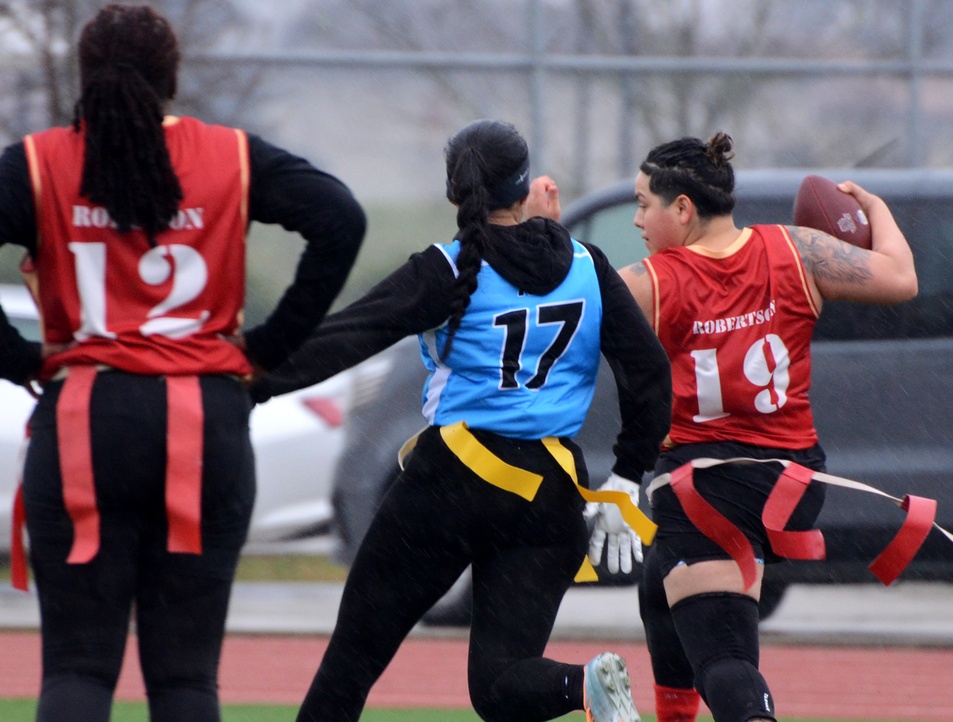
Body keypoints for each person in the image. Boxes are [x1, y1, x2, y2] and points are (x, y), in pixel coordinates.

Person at [0, 5, 366, 721]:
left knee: (77, 668)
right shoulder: (229, 154)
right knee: (184, 680)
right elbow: (339, 220)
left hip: (86, 419)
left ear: (84, 76)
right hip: (204, 419)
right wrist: (267, 347)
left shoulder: (40, 163)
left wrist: (20, 361)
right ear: (170, 78)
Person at [250, 118, 672, 722]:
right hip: (550, 494)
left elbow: (348, 336)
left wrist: (251, 378)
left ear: (456, 194)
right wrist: (627, 475)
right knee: (500, 684)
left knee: (353, 660)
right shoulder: (588, 264)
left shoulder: (449, 270)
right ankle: (581, 688)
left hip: (452, 482)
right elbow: (650, 373)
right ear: (525, 189)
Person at [587, 132, 917, 722]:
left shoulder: (648, 282)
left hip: (710, 486)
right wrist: (876, 210)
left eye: (644, 204)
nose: (637, 218)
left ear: (682, 208)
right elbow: (900, 278)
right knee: (660, 592)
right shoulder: (797, 248)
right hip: (796, 480)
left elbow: (561, 329)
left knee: (725, 659)